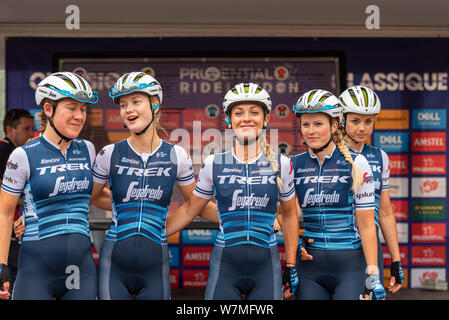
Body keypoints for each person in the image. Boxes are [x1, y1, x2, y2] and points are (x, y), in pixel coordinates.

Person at [165, 83, 299, 300]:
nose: (246, 118)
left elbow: (290, 214)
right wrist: (157, 234)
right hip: (224, 269)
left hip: (268, 270)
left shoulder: (282, 164)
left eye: (254, 112)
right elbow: (191, 209)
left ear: (266, 119)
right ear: (228, 120)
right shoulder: (214, 163)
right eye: (239, 113)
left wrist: (292, 265)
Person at [91, 72, 217, 300]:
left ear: (155, 105)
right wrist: (33, 214)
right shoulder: (108, 153)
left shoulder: (176, 155)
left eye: (136, 102)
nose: (128, 109)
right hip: (114, 261)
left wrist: (247, 220)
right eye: (123, 104)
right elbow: (87, 197)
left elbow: (195, 205)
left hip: (155, 264)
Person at [0, 72, 99, 300]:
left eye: (83, 109)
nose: (79, 116)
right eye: (71, 108)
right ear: (48, 109)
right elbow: (4, 213)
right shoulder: (23, 154)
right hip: (36, 270)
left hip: (80, 270)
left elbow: (96, 194)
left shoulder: (88, 149)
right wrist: (2, 264)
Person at [290, 89, 385, 300]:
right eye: (306, 124)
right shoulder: (293, 165)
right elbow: (285, 215)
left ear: (334, 125)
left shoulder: (357, 162)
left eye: (318, 124)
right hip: (308, 268)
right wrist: (294, 243)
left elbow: (368, 225)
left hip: (351, 266)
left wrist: (373, 272)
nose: (311, 131)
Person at [339, 85, 404, 293]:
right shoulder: (328, 154)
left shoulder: (380, 157)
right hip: (333, 245)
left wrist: (396, 260)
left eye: (368, 121)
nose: (362, 128)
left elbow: (385, 212)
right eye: (355, 121)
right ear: (342, 119)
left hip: (368, 249)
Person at [0, 109, 34, 297]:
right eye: (26, 128)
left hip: (14, 234)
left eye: (33, 128)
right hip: (8, 235)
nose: (31, 134)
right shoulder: (5, 150)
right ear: (10, 130)